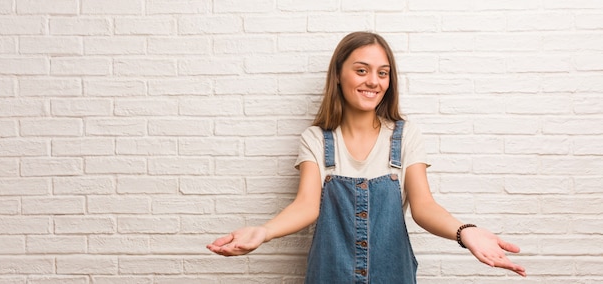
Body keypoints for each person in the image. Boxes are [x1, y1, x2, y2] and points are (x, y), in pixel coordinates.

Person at [207, 31, 526, 283]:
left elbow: (424, 207)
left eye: (383, 73)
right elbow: (306, 206)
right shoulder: (317, 139)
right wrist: (263, 231)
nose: (373, 81)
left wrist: (465, 231)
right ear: (338, 75)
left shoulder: (405, 136)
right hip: (329, 275)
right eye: (361, 70)